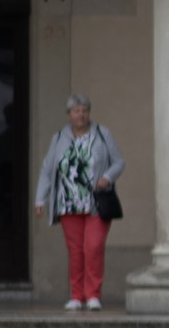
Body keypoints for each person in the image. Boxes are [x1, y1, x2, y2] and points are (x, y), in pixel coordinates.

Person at [33, 93, 124, 310]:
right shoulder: (58, 138)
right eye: (76, 111)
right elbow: (47, 170)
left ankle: (93, 295)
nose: (80, 115)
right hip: (68, 203)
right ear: (68, 115)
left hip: (96, 203)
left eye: (84, 111)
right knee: (75, 251)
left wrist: (107, 177)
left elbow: (119, 162)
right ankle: (76, 296)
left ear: (89, 113)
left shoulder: (102, 134)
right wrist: (40, 198)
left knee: (93, 247)